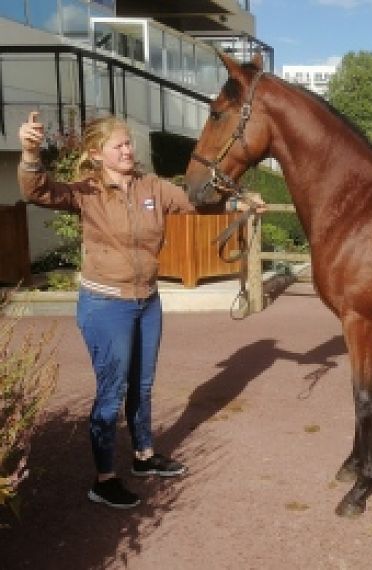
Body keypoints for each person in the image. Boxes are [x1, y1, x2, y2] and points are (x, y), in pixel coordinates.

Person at [18, 111, 257, 509]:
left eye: (129, 143)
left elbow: (197, 202)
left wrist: (240, 200)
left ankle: (144, 457)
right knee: (111, 392)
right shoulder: (86, 191)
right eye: (119, 145)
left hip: (147, 302)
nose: (128, 150)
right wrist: (29, 153)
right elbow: (38, 191)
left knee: (142, 386)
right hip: (105, 305)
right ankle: (104, 478)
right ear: (97, 154)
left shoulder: (152, 187)